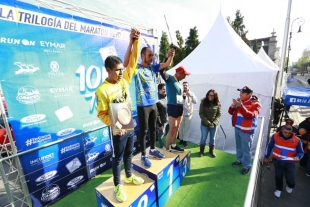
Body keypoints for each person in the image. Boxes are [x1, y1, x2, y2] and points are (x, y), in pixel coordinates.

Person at [95, 29, 144, 202]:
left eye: (122, 70)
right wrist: (115, 126)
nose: (121, 73)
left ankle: (129, 176)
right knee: (117, 159)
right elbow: (101, 113)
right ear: (108, 70)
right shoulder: (102, 90)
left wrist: (134, 41)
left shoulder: (123, 80)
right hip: (118, 129)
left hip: (128, 123)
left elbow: (133, 61)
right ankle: (117, 186)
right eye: (117, 70)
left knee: (129, 154)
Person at [124, 43, 175, 168]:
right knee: (143, 131)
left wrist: (171, 54)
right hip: (143, 105)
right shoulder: (137, 68)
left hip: (153, 103)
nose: (151, 57)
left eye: (152, 55)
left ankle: (152, 150)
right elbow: (127, 64)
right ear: (142, 56)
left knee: (153, 128)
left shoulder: (153, 67)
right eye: (149, 55)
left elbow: (167, 64)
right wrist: (132, 42)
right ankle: (143, 156)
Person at [228, 86, 262, 175]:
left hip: (246, 131)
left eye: (243, 93)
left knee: (246, 149)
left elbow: (251, 115)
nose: (240, 94)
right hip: (237, 128)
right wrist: (232, 106)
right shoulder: (240, 101)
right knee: (239, 146)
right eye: (240, 92)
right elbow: (230, 112)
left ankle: (247, 166)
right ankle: (240, 160)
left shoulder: (256, 104)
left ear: (249, 94)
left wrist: (240, 106)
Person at [264, 125, 304, 198]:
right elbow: (269, 147)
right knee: (278, 176)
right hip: (277, 161)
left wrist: (298, 157)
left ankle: (290, 186)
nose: (287, 134)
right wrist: (266, 157)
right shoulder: (275, 136)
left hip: (290, 163)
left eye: (289, 133)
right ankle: (279, 189)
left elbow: (300, 152)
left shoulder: (297, 140)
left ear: (292, 132)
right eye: (285, 132)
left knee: (290, 178)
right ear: (282, 131)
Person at [160, 65, 190, 152]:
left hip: (180, 106)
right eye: (184, 74)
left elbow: (179, 96)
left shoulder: (179, 83)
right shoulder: (169, 78)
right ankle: (167, 148)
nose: (185, 77)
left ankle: (174, 145)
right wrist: (168, 58)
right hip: (172, 106)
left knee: (177, 128)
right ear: (179, 73)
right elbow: (161, 70)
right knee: (172, 128)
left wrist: (183, 97)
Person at [199, 89, 221, 157]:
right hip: (204, 124)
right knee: (203, 138)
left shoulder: (218, 103)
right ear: (207, 95)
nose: (210, 96)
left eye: (212, 95)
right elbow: (201, 113)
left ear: (215, 96)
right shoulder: (203, 102)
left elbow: (219, 114)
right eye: (209, 95)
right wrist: (208, 123)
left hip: (214, 125)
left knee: (212, 138)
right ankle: (201, 151)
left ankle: (211, 151)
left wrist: (214, 123)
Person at [179, 82, 197, 148]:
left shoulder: (192, 93)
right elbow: (178, 102)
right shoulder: (180, 93)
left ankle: (185, 141)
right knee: (180, 128)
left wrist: (190, 96)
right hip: (181, 114)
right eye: (184, 85)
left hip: (189, 114)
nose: (185, 87)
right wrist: (183, 98)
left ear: (188, 86)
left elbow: (195, 102)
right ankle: (181, 139)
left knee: (187, 128)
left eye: (186, 85)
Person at [156, 83, 168, 149]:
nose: (165, 90)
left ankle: (167, 145)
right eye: (163, 89)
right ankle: (162, 146)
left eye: (165, 89)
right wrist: (160, 124)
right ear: (159, 90)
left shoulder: (166, 97)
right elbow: (157, 114)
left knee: (167, 134)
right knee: (161, 135)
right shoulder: (157, 100)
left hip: (168, 120)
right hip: (162, 122)